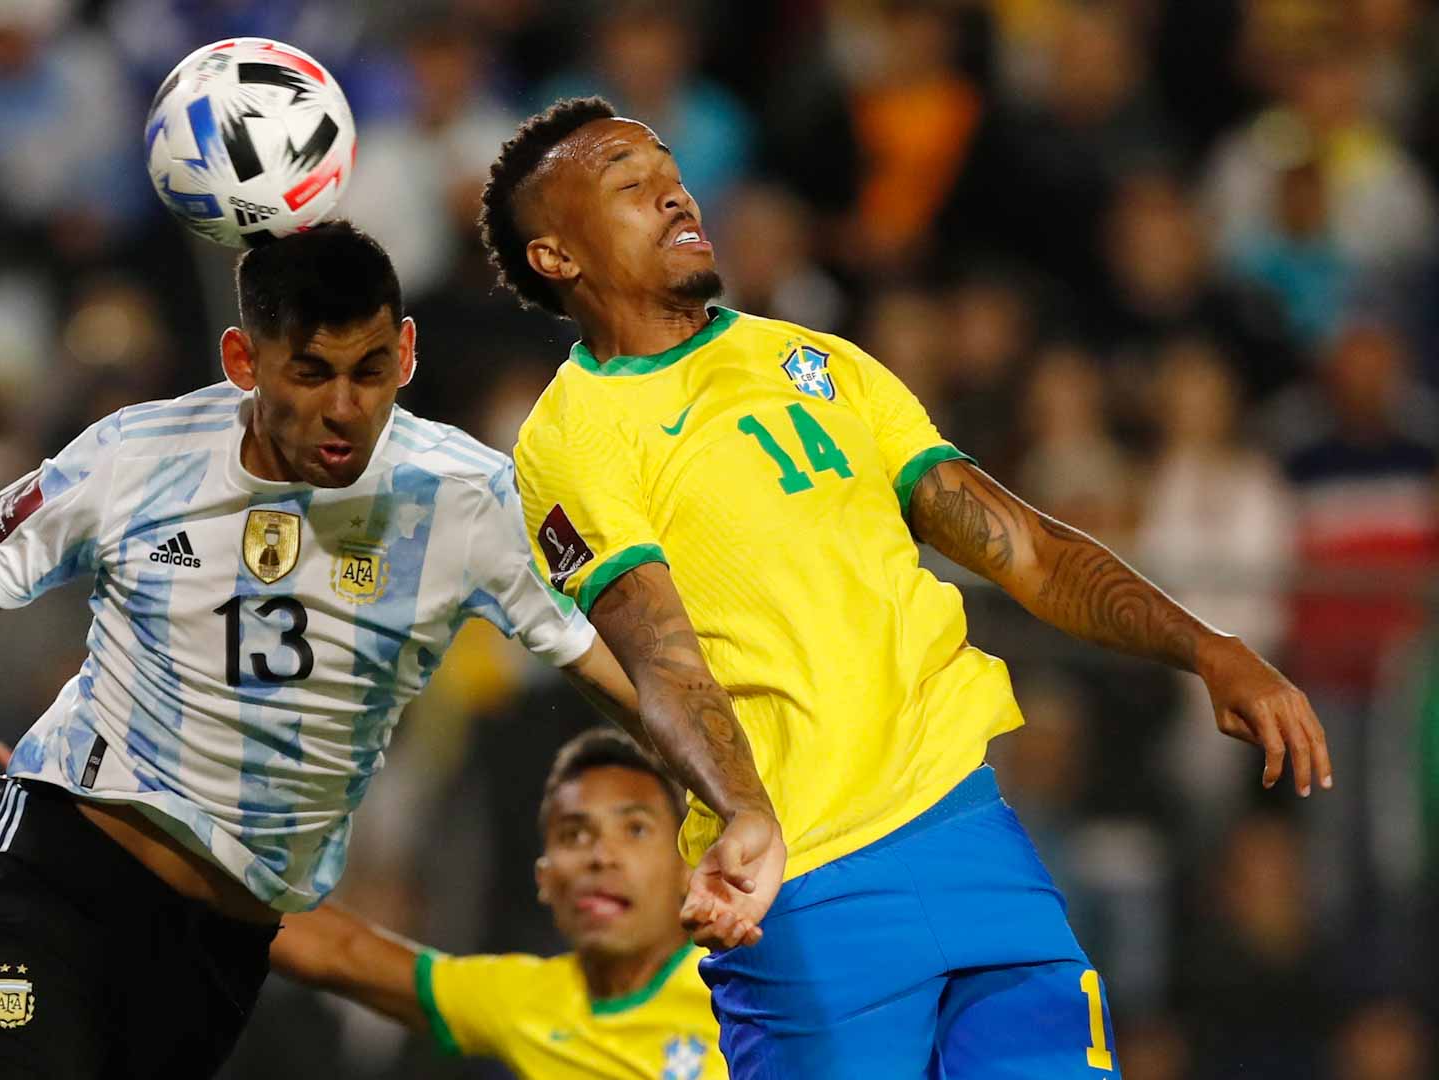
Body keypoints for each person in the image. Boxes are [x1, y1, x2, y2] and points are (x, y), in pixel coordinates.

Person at [0, 223, 731, 1079]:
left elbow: (622, 676)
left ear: (407, 350)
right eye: (310, 371)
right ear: (241, 359)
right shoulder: (136, 458)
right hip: (66, 866)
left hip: (226, 940)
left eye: (370, 369)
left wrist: (757, 812)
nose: (344, 408)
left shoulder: (467, 499)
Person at [479, 96, 1332, 1077]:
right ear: (556, 257)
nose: (673, 192)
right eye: (630, 186)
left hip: (972, 834)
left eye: (668, 169)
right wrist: (745, 811)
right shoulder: (574, 435)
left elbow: (1019, 543)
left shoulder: (820, 362)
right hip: (807, 884)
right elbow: (661, 657)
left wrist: (1209, 646)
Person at [269, 727, 726, 1079]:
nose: (600, 856)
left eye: (635, 830)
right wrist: (208, 870)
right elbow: (340, 953)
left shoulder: (741, 992)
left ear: (688, 865)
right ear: (546, 880)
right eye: (574, 834)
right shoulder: (523, 1001)